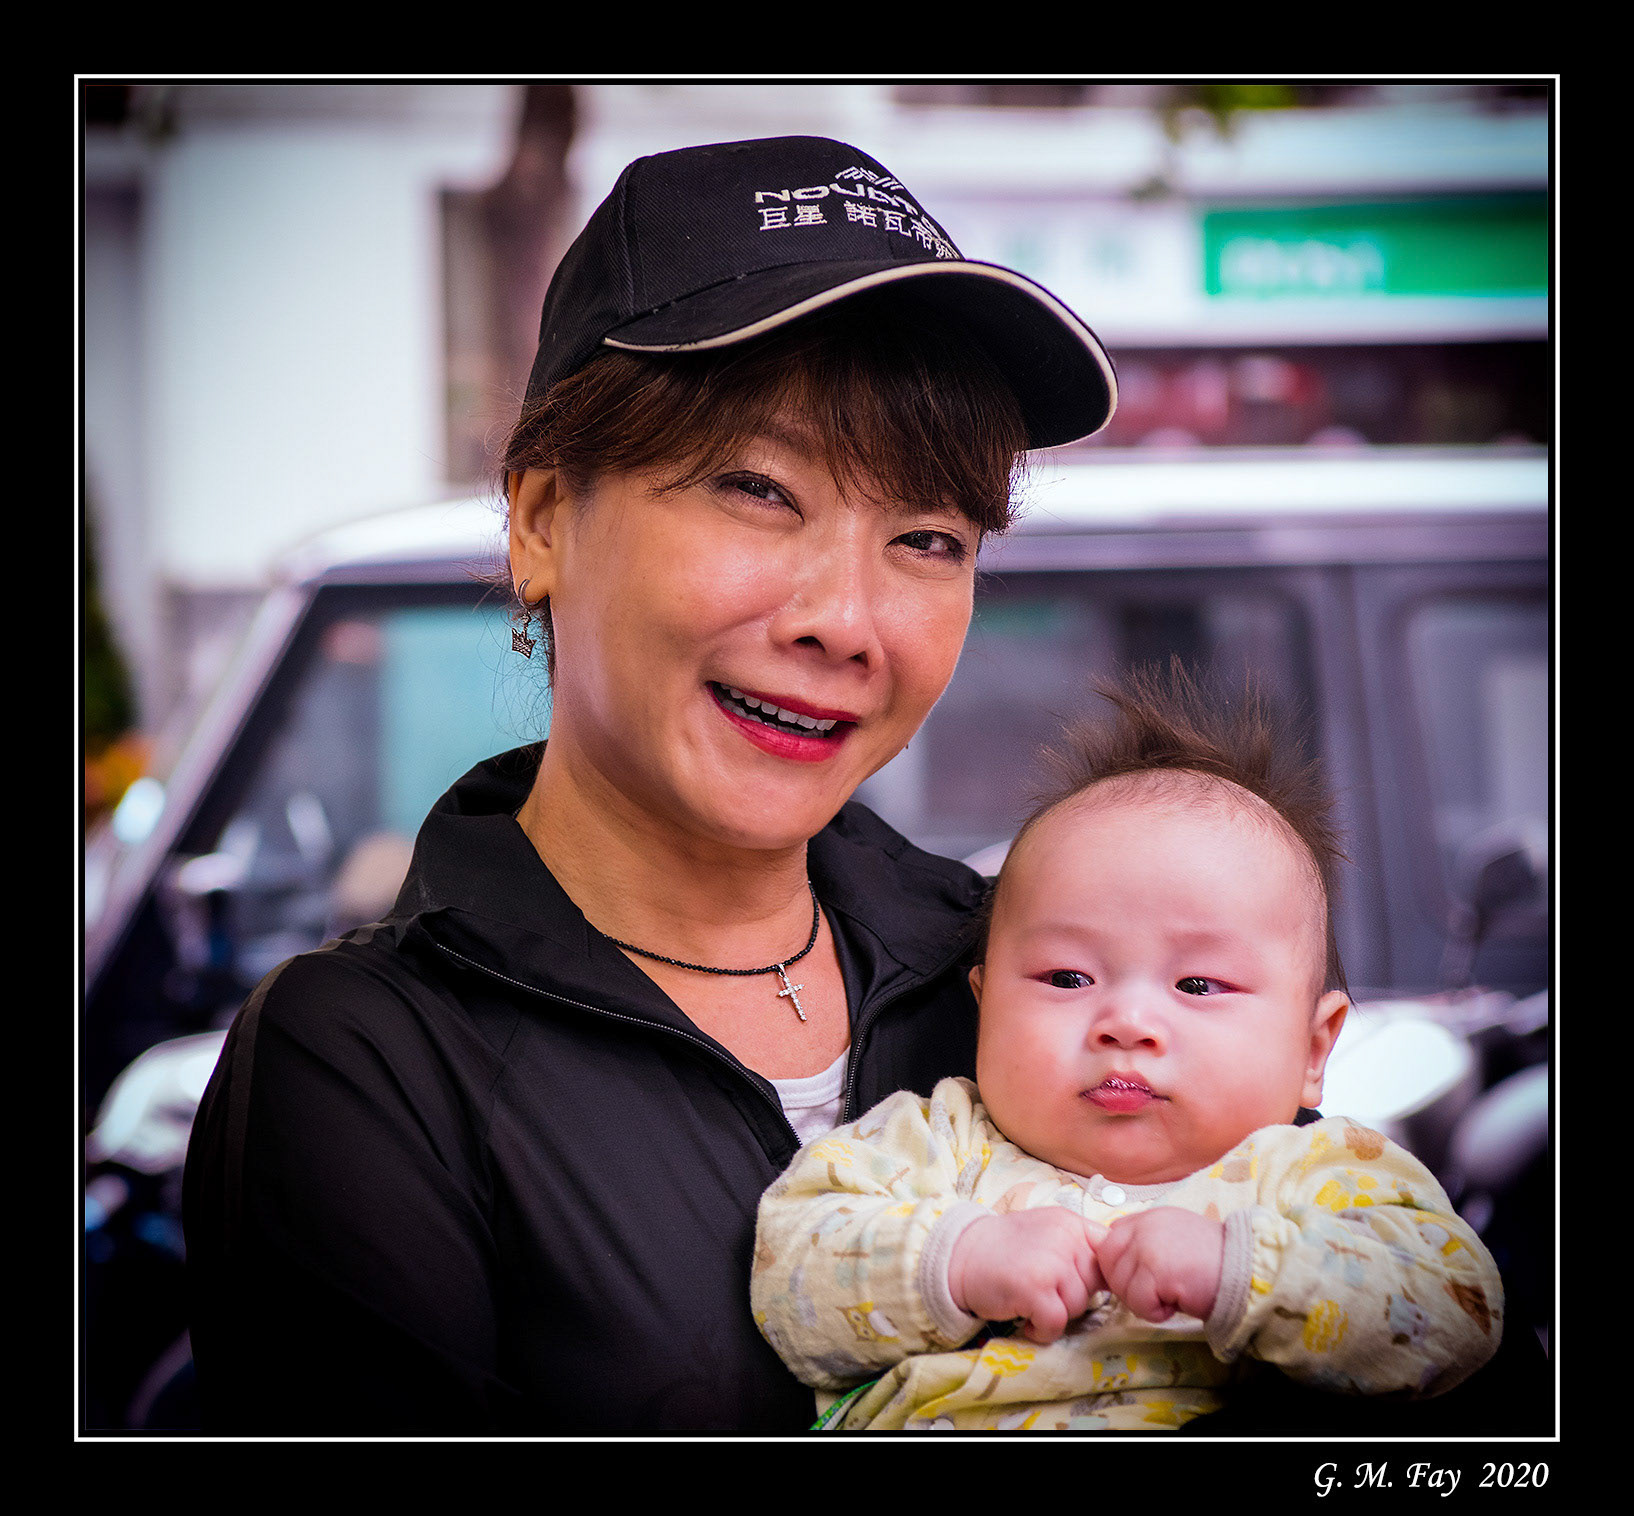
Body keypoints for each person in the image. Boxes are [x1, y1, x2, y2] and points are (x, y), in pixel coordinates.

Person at [179, 133, 1120, 1433]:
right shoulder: (366, 1064)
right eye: (758, 489)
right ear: (541, 518)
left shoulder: (1023, 974)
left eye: (925, 538)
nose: (846, 622)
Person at [751, 667, 1506, 1431]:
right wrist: (960, 1260)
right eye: (1068, 977)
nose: (1126, 1022)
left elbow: (1456, 1315)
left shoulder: (1324, 1176)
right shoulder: (935, 1141)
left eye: (1199, 985)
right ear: (984, 1008)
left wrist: (1241, 1270)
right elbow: (790, 1279)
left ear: (1314, 1050)